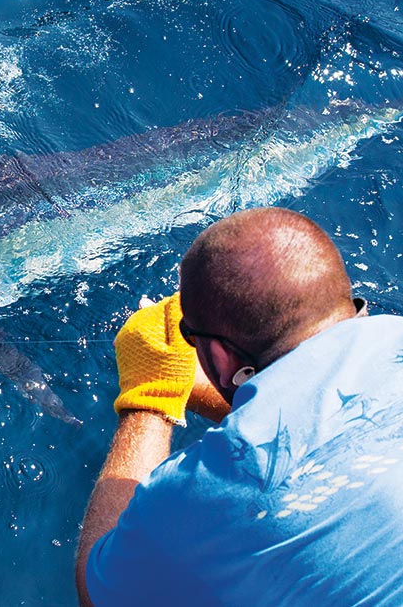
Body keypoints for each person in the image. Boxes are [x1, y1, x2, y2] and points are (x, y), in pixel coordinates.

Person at [75, 207, 403, 606]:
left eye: (189, 336)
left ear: (218, 353)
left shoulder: (200, 495)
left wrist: (150, 400)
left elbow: (103, 591)